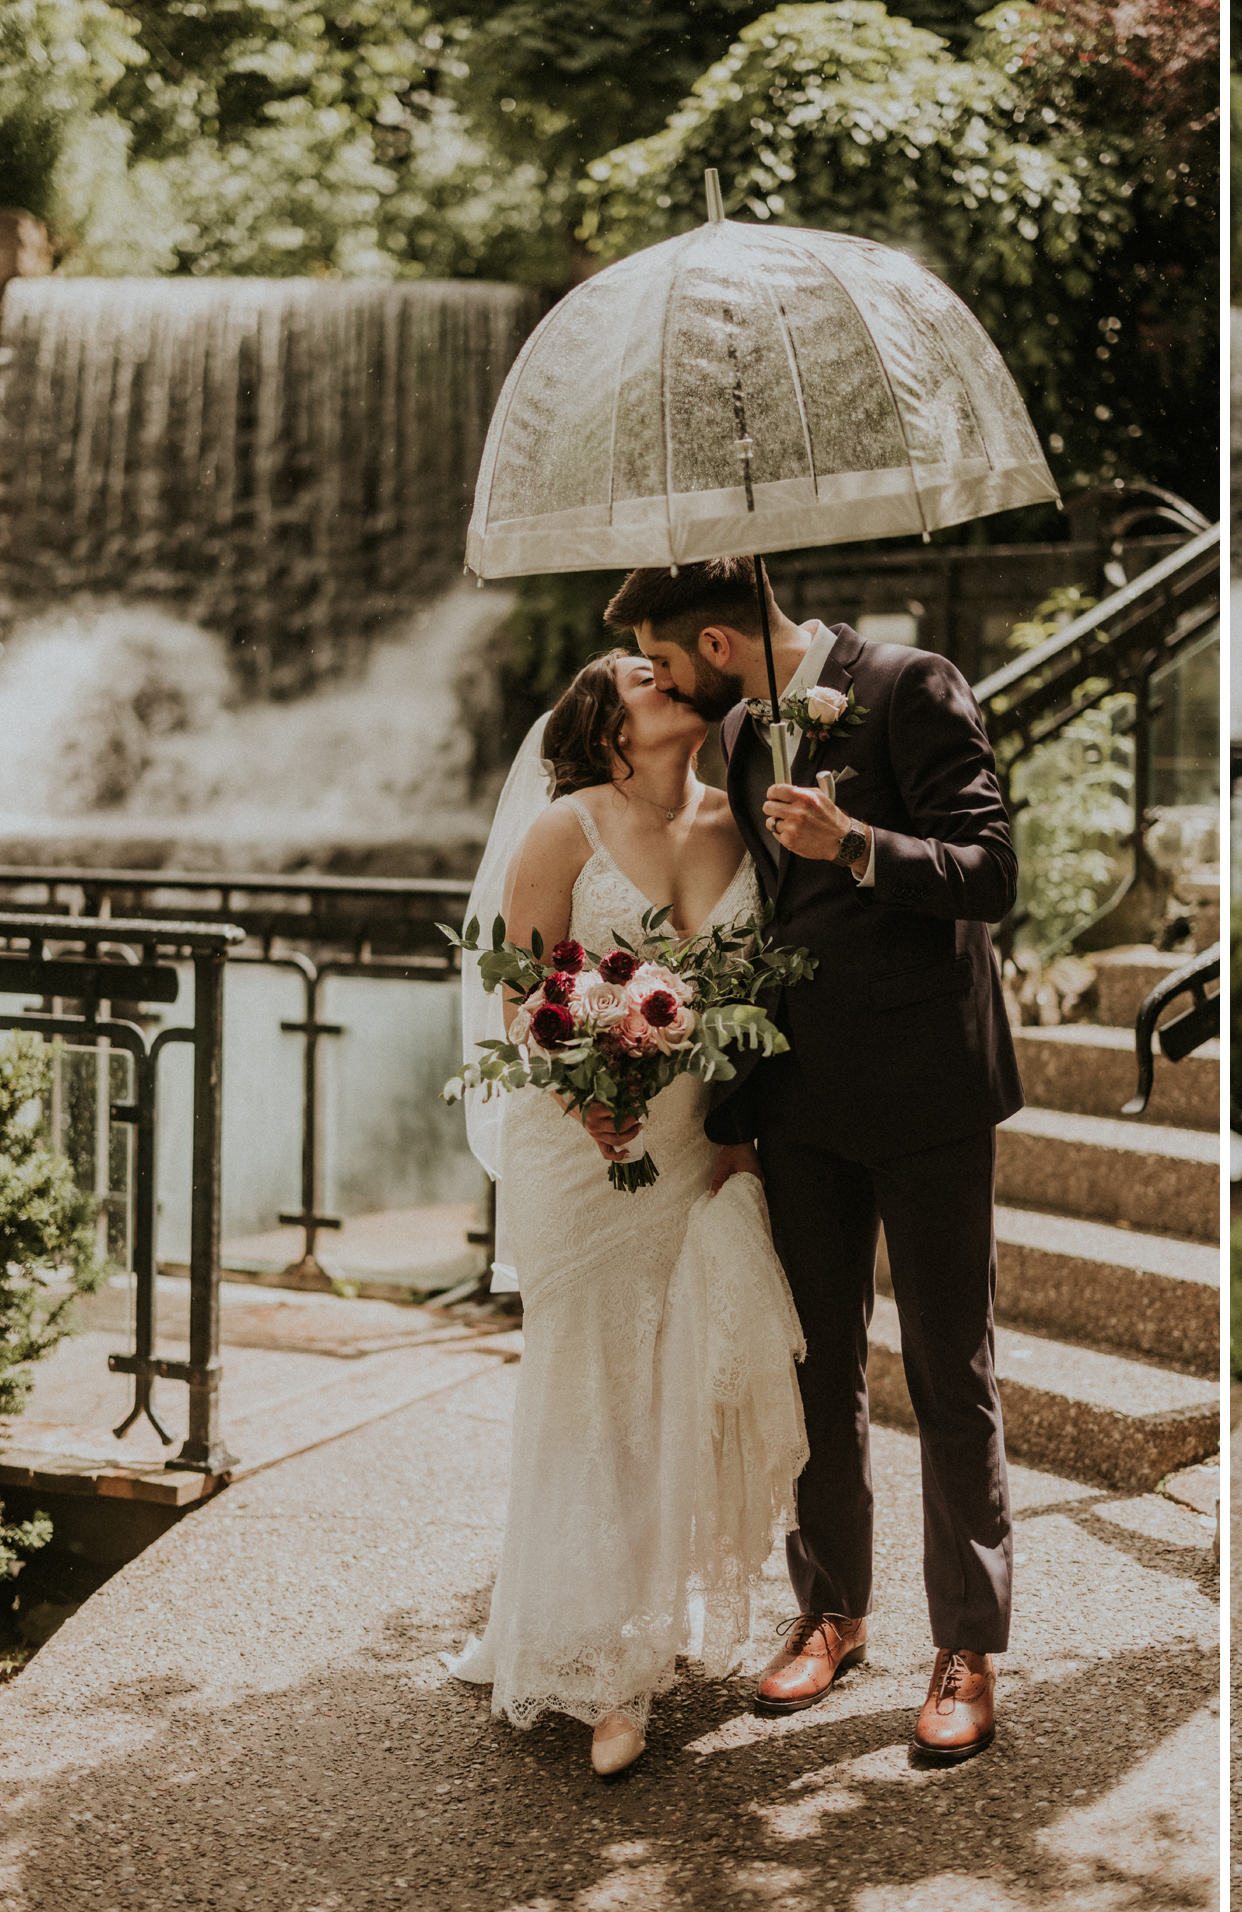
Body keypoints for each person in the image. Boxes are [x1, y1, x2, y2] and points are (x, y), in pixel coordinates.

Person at [614, 557, 1022, 1767]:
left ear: (721, 644)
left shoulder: (911, 686)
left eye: (668, 656)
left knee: (951, 1375)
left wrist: (859, 845)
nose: (663, 679)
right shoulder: (738, 736)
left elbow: (992, 874)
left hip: (932, 1094)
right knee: (820, 1374)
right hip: (799, 1102)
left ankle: (966, 1645)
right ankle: (833, 1610)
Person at [444, 650, 809, 1779]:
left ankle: (643, 1621)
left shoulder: (742, 820)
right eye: (647, 677)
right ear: (610, 729)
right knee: (588, 1386)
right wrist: (586, 1093)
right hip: (581, 1146)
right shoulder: (563, 828)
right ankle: (603, 1667)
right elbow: (523, 989)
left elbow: (753, 990)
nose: (674, 679)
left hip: (694, 1138)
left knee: (673, 1370)